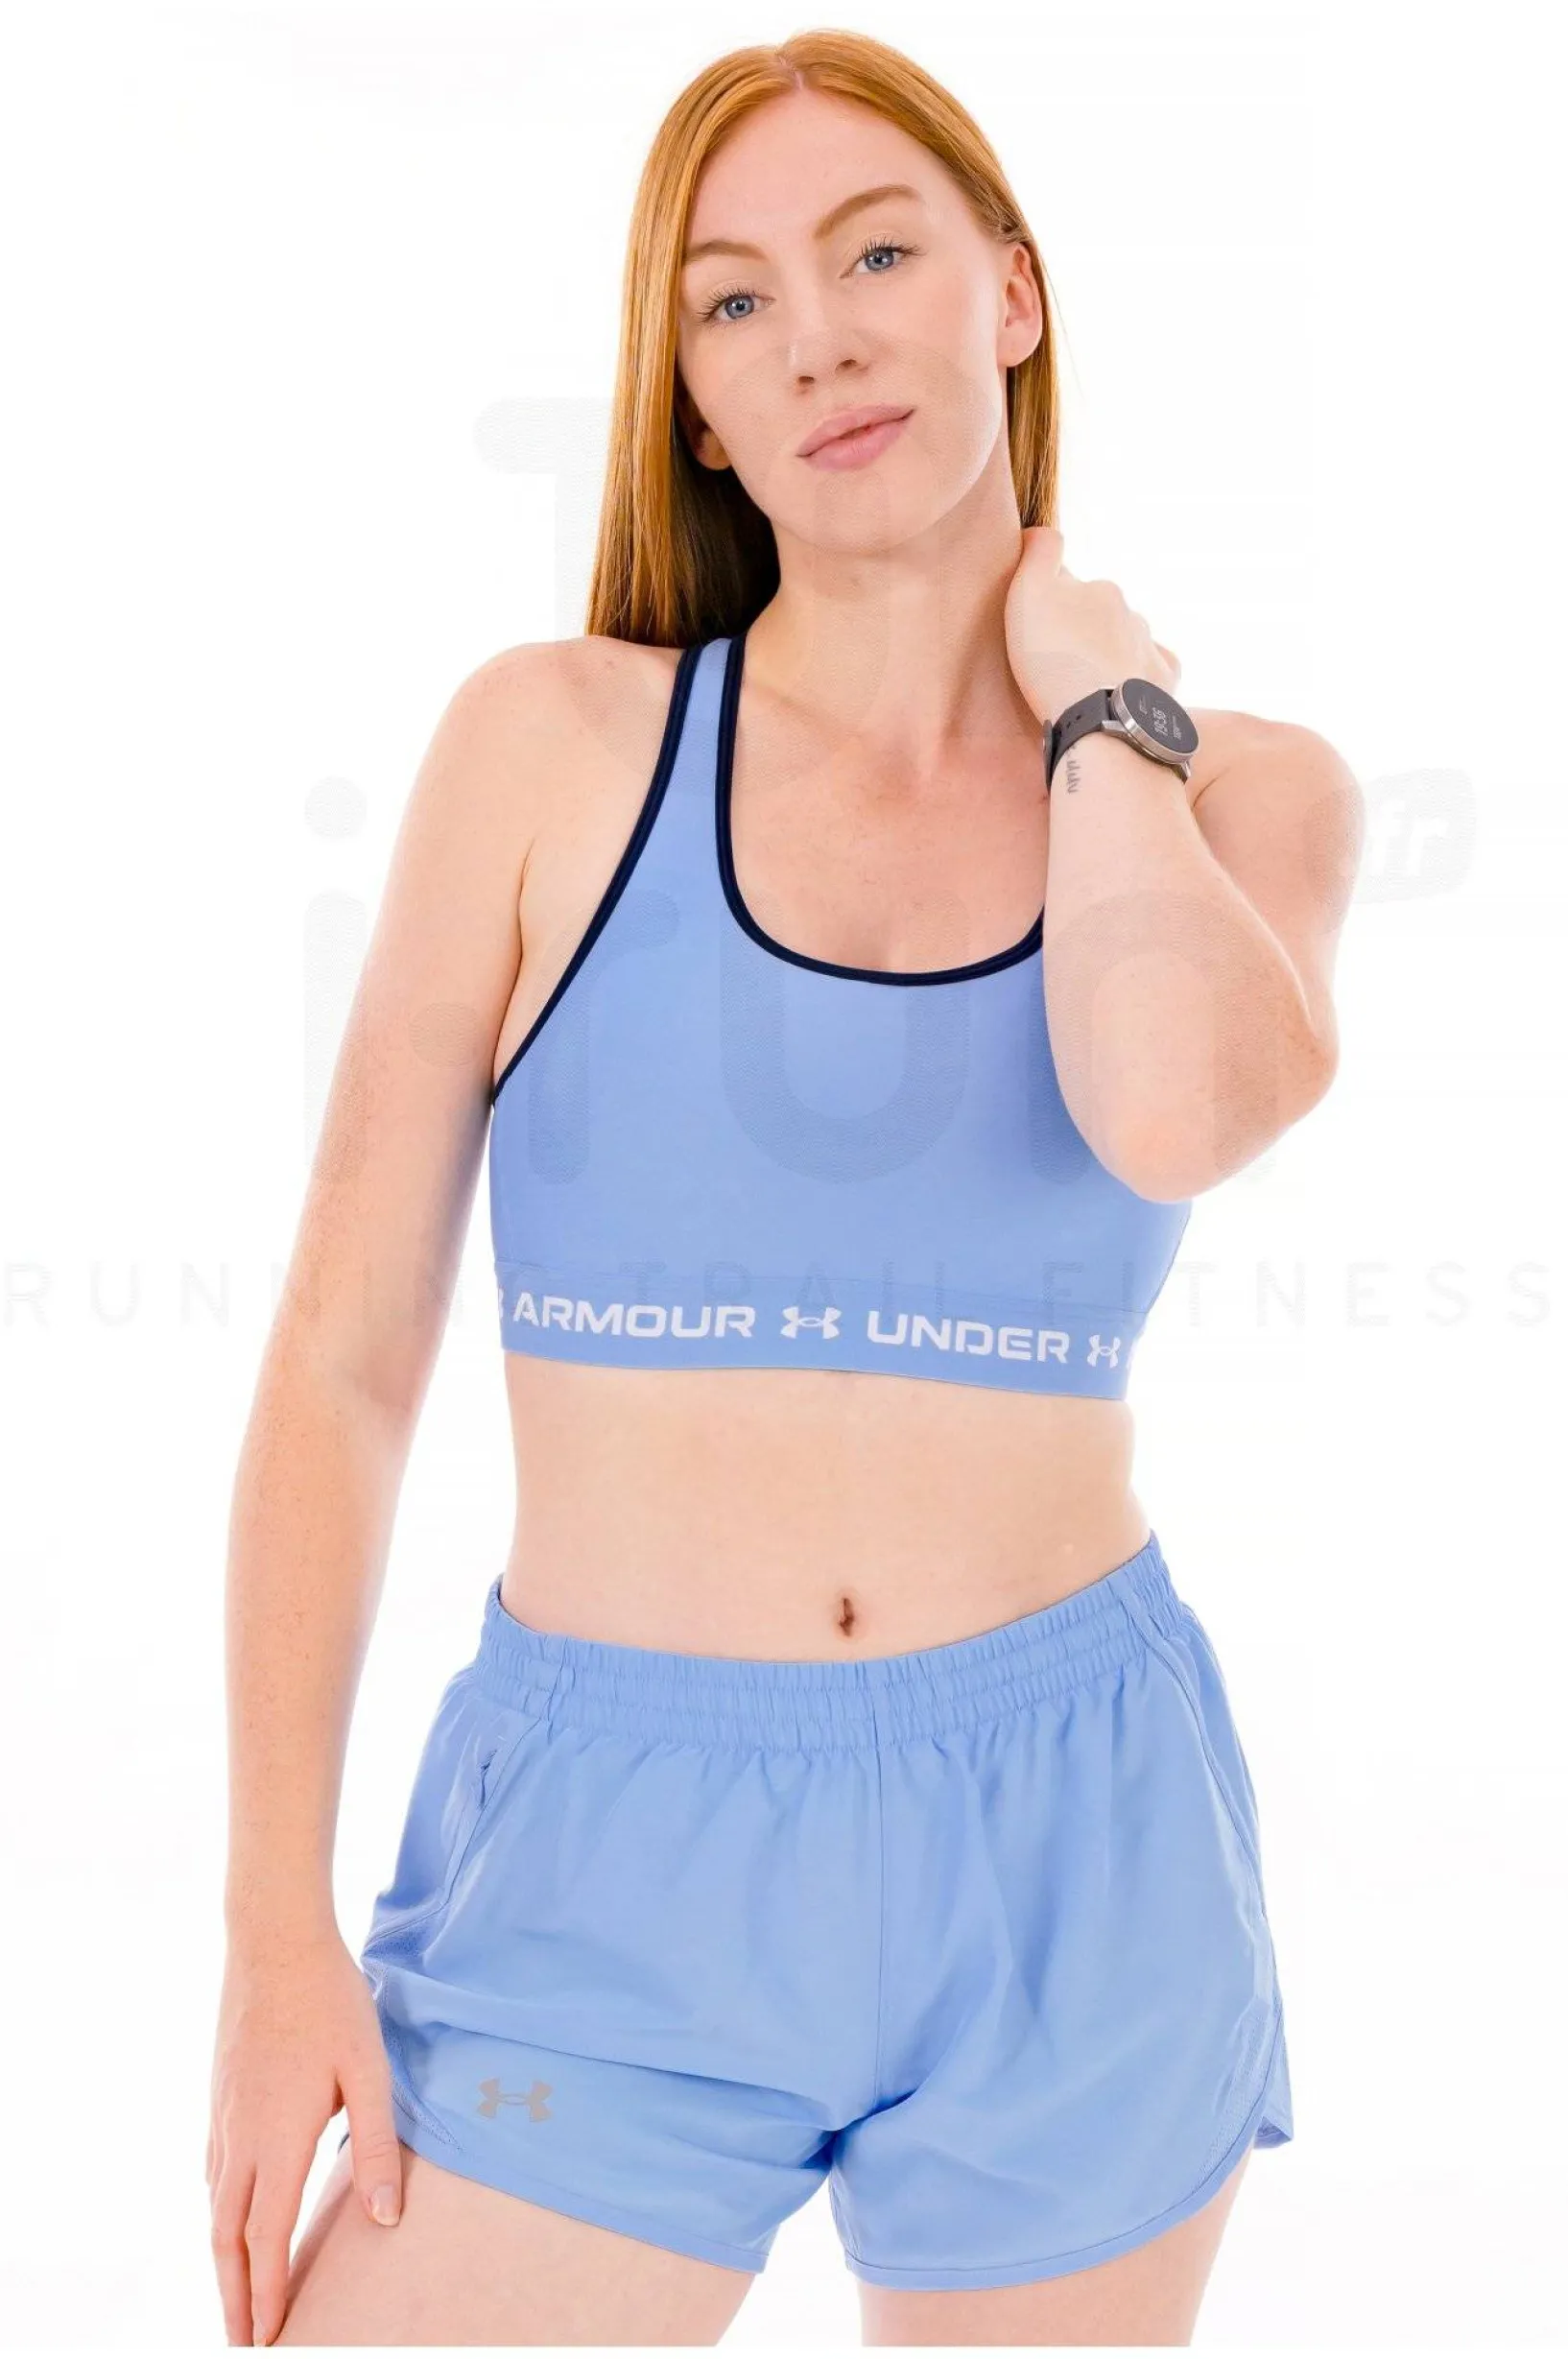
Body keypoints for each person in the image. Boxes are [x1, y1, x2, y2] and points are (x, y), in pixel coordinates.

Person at [208, 28, 1362, 2349]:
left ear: (1009, 293)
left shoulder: (1240, 792)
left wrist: (1098, 710)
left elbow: (1168, 1112)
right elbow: (341, 1355)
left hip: (1074, 1854)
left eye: (876, 254)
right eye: (732, 302)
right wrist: (270, 1927)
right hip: (604, 1853)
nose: (817, 335)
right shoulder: (548, 746)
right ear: (698, 413)